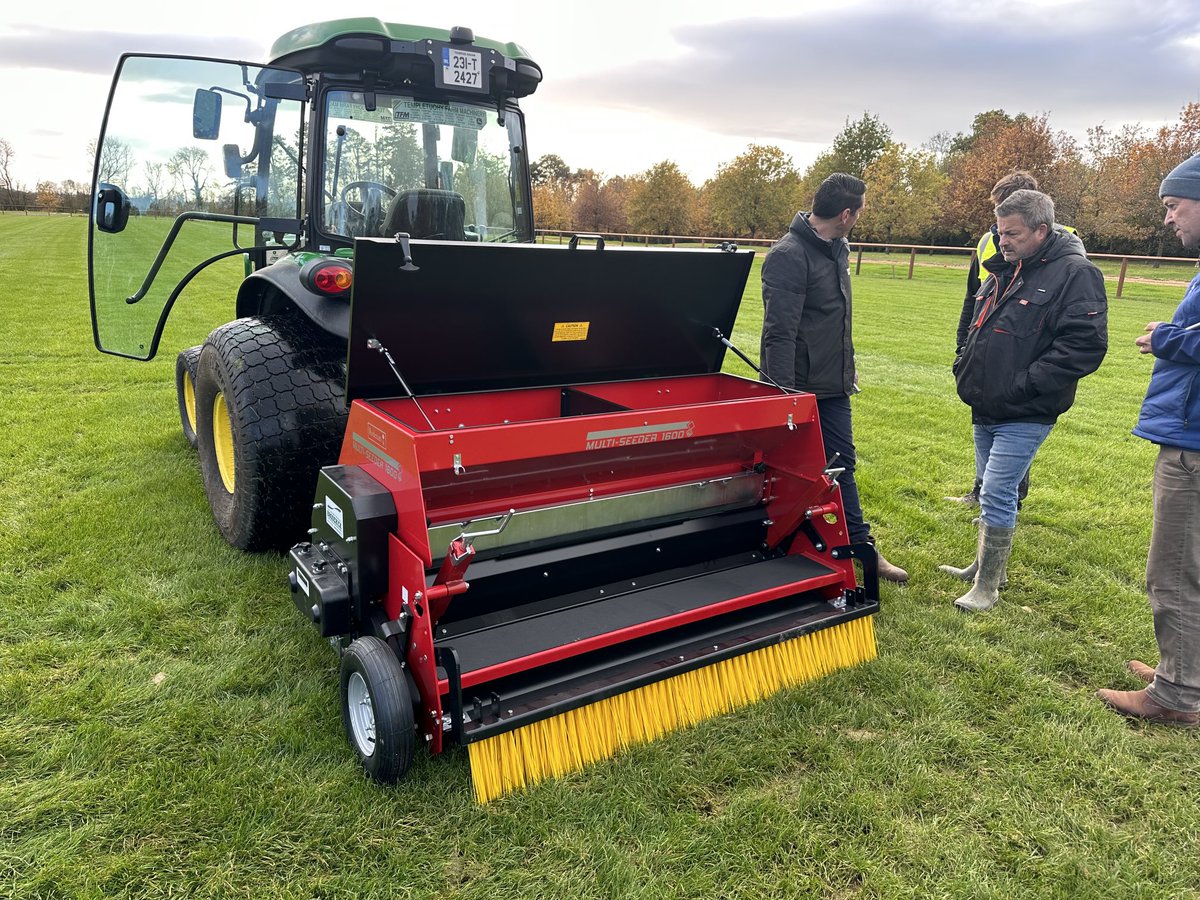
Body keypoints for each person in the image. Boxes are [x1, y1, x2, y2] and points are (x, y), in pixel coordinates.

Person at [939, 189, 1107, 611]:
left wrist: (1025, 384)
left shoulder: (1075, 273)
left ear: (1041, 230)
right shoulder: (1003, 268)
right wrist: (965, 364)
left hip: (1027, 409)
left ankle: (988, 587)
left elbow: (1085, 346)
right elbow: (976, 324)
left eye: (1012, 233)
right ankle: (984, 566)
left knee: (997, 490)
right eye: (999, 232)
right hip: (985, 403)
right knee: (988, 485)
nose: (1002, 241)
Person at [760, 172, 908, 583]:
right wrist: (785, 400)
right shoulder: (789, 255)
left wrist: (847, 367)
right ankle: (776, 547)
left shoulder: (837, 249)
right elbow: (779, 333)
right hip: (799, 389)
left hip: (834, 385)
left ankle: (862, 547)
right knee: (791, 470)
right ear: (846, 214)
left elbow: (834, 319)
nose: (859, 218)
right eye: (859, 211)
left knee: (842, 467)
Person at [1096, 153, 1200, 727]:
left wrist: (1167, 337)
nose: (1169, 219)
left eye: (1174, 205)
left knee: (1175, 567)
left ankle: (1177, 695)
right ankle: (1184, 668)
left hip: (1194, 443)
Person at [947, 171, 1042, 508]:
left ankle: (1007, 497)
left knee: (1015, 431)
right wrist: (963, 347)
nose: (998, 221)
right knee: (985, 426)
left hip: (1021, 351)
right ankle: (981, 490)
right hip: (984, 348)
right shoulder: (988, 241)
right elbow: (972, 295)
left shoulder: (1056, 246)